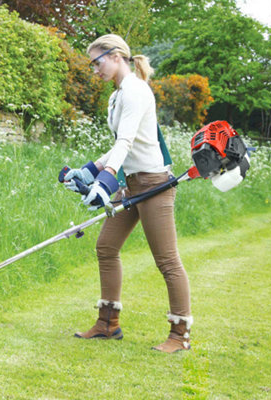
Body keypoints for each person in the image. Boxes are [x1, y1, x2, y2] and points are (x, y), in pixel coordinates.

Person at [63, 34, 193, 353]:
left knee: (167, 261)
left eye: (97, 62)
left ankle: (180, 335)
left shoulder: (135, 91)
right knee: (106, 247)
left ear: (116, 56)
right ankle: (108, 324)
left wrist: (105, 181)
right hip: (133, 183)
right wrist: (90, 170)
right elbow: (120, 143)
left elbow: (127, 144)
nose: (94, 70)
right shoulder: (118, 94)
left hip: (154, 185)